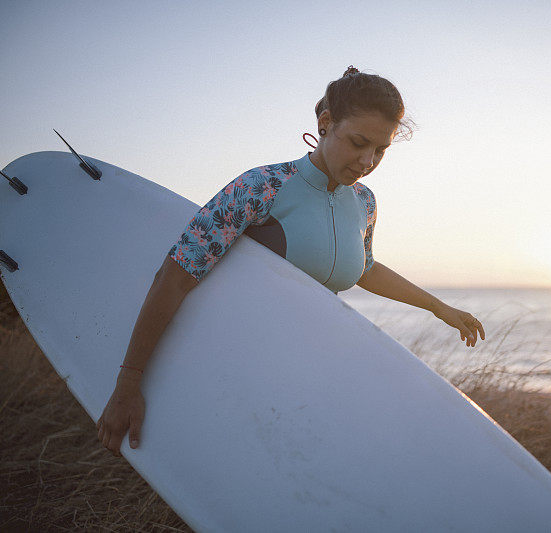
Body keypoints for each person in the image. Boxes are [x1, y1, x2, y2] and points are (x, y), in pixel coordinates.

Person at [96, 66, 486, 457]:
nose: (367, 160)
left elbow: (365, 268)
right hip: (240, 367)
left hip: (313, 371)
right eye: (358, 142)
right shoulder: (263, 186)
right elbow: (176, 275)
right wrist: (129, 382)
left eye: (380, 150)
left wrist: (438, 307)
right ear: (326, 123)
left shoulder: (364, 202)